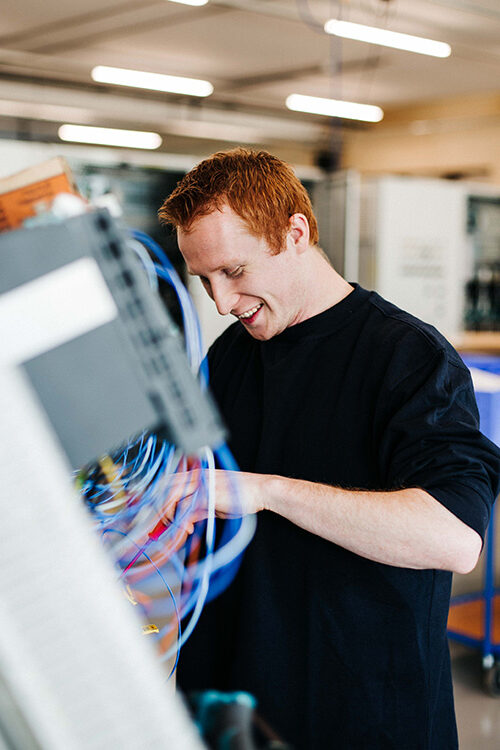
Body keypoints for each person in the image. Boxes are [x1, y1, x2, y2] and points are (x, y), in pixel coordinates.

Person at [158, 148, 500, 749]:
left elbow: (453, 538)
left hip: (361, 713)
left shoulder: (409, 359)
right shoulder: (231, 355)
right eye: (204, 279)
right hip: (235, 709)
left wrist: (266, 491)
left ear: (295, 232)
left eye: (234, 271)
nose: (221, 302)